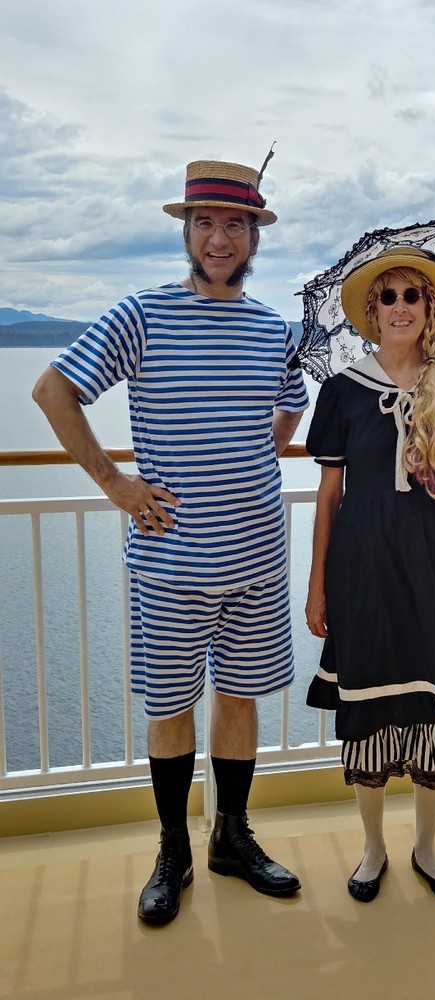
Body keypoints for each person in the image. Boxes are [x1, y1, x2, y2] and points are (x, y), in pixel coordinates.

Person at [32, 156, 309, 924]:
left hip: (256, 554)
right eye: (205, 223)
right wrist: (115, 484)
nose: (219, 238)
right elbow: (53, 390)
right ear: (186, 232)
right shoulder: (143, 315)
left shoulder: (272, 329)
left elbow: (289, 410)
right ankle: (172, 851)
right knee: (170, 709)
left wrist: (252, 455)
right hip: (169, 561)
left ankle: (231, 839)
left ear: (255, 238)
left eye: (234, 225)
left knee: (241, 700)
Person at [304, 246, 435, 903]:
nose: (398, 308)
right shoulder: (341, 392)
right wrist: (317, 584)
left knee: (432, 710)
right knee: (369, 712)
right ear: (370, 310)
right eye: (385, 297)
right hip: (363, 572)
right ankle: (371, 850)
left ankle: (424, 850)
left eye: (410, 295)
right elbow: (329, 495)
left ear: (429, 307)